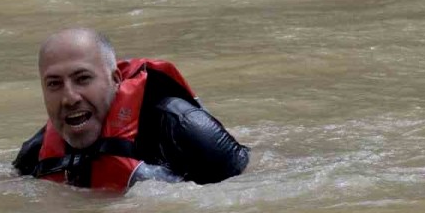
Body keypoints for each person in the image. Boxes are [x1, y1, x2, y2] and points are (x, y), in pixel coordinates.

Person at [13, 28, 249, 191]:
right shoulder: (35, 155)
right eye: (54, 84)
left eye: (82, 79)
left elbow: (249, 186)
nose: (69, 98)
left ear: (115, 79)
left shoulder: (185, 128)